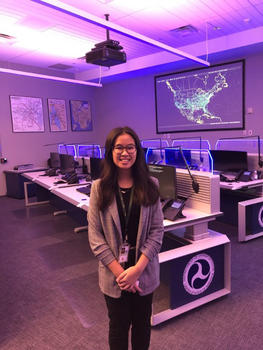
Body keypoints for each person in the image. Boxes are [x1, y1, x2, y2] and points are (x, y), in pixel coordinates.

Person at [88, 126, 164, 350]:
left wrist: (137, 270)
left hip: (144, 271)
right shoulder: (99, 188)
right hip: (115, 276)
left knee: (142, 326)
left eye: (130, 147)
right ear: (110, 152)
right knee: (119, 328)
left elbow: (157, 231)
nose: (125, 152)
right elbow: (95, 237)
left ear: (137, 151)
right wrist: (122, 275)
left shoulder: (151, 185)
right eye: (118, 147)